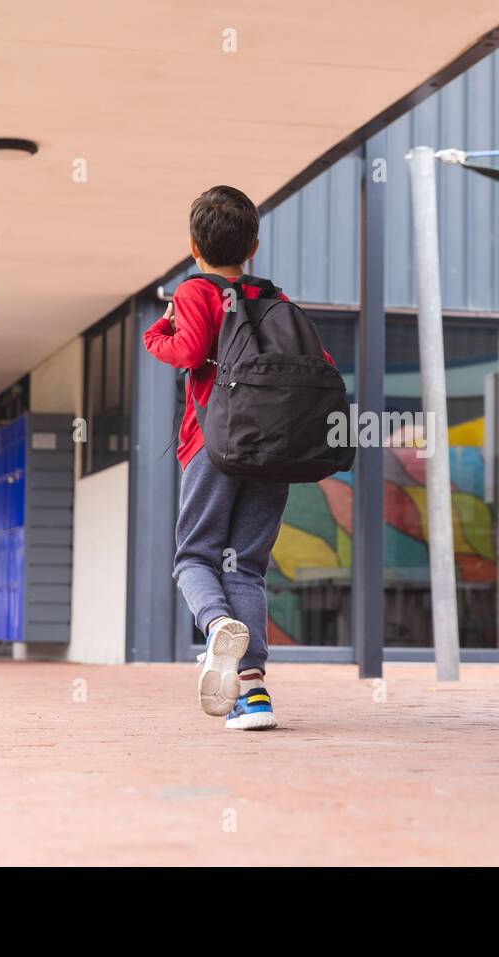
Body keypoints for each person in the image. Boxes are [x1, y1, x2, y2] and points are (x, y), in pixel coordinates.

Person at [142, 185, 319, 731]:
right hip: (273, 451)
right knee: (247, 565)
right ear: (255, 245)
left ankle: (217, 626)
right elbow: (318, 366)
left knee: (193, 558)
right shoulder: (278, 301)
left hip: (213, 446)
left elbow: (187, 351)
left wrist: (159, 328)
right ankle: (254, 695)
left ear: (194, 245)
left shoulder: (196, 292)